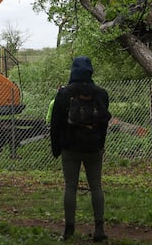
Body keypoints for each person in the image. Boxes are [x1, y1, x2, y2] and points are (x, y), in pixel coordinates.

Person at [50, 56, 111, 242]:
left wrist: (56, 148)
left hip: (70, 148)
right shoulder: (101, 94)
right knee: (96, 186)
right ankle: (99, 229)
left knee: (70, 187)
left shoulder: (63, 94)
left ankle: (69, 230)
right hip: (93, 148)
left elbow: (56, 124)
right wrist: (101, 144)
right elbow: (103, 123)